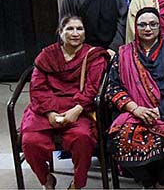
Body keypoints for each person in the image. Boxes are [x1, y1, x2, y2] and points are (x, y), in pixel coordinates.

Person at [107, 7, 164, 188]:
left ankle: (163, 182)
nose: (148, 28)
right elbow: (113, 87)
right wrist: (135, 109)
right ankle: (147, 182)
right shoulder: (124, 54)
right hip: (133, 112)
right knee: (120, 138)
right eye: (143, 25)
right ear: (135, 27)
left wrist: (160, 109)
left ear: (160, 26)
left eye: (153, 24)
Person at [21, 15, 108, 190]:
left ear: (85, 33)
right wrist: (50, 112)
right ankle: (46, 180)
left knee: (82, 138)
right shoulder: (47, 55)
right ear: (60, 33)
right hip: (45, 109)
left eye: (79, 29)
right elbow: (37, 88)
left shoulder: (93, 56)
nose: (75, 33)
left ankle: (77, 184)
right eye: (69, 29)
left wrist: (76, 110)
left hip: (79, 109)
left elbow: (92, 88)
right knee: (30, 141)